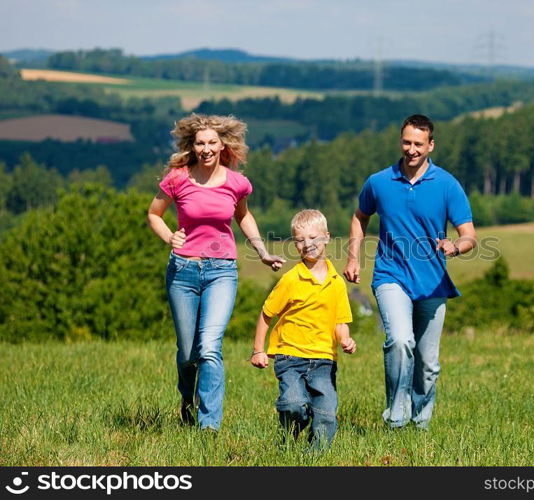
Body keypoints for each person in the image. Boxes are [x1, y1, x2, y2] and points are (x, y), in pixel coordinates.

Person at [147, 113, 285, 431]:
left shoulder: (237, 183)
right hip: (183, 270)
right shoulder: (177, 178)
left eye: (212, 142)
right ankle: (187, 400)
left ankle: (209, 427)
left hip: (222, 271)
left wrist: (261, 250)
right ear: (192, 146)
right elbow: (154, 213)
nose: (206, 149)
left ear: (223, 145)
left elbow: (244, 217)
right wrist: (169, 235)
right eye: (200, 143)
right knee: (188, 353)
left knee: (210, 346)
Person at [343, 114, 476, 430]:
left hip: (433, 282)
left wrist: (454, 246)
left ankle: (421, 422)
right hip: (391, 275)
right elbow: (360, 216)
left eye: (418, 143)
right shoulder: (379, 182)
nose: (411, 149)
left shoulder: (446, 185)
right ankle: (397, 417)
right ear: (400, 141)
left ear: (431, 145)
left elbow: (469, 235)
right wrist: (352, 258)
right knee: (401, 341)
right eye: (406, 142)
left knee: (428, 364)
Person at [251, 209, 356, 449]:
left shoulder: (337, 282)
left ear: (327, 237)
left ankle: (314, 457)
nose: (307, 244)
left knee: (327, 413)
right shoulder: (290, 279)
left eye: (313, 237)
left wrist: (346, 340)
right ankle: (288, 437)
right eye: (300, 240)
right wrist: (258, 350)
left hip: (324, 359)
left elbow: (341, 321)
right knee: (292, 405)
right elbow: (267, 314)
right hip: (290, 357)